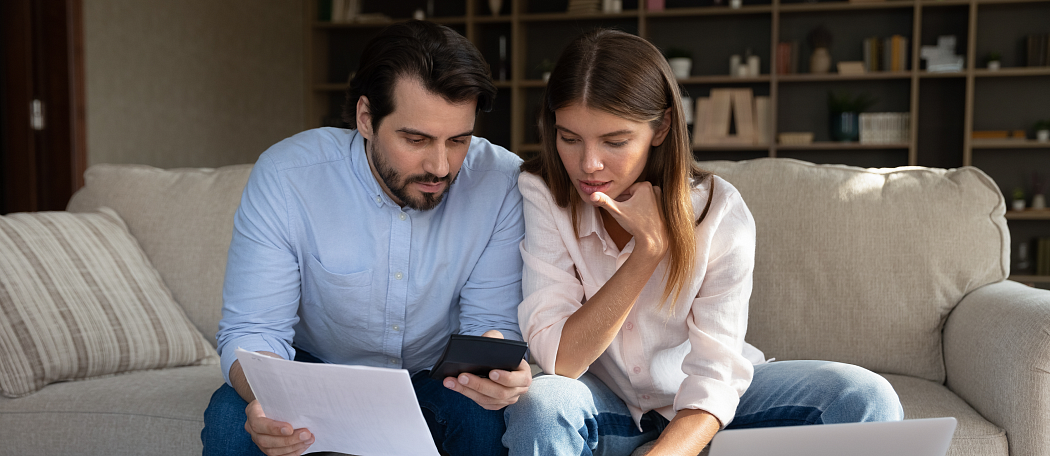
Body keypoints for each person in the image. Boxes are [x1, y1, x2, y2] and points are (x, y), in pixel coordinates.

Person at [502, 29, 903, 456]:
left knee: (866, 397)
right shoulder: (544, 193)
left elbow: (715, 377)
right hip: (608, 405)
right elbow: (561, 359)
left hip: (708, 408)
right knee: (540, 405)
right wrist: (647, 253)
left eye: (615, 141)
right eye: (569, 138)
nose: (588, 164)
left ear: (661, 128)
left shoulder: (720, 211)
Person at [201, 20, 532, 456]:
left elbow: (490, 326)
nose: (440, 166)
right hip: (312, 373)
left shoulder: (502, 181)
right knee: (230, 421)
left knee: (484, 420)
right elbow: (255, 330)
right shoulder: (287, 178)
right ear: (365, 118)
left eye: (458, 140)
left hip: (433, 378)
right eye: (416, 139)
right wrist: (277, 399)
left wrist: (498, 369)